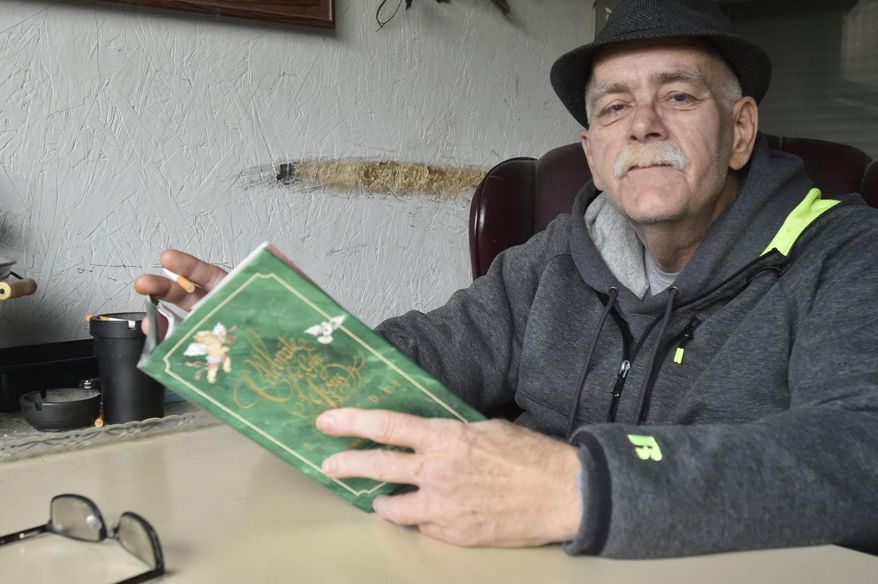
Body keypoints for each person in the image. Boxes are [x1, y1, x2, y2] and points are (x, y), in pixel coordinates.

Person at [135, 0, 878, 557]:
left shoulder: (848, 254)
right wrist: (288, 336)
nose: (643, 125)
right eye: (615, 107)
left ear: (741, 130)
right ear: (592, 154)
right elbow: (423, 363)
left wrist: (583, 486)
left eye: (679, 97)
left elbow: (859, 450)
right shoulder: (552, 259)